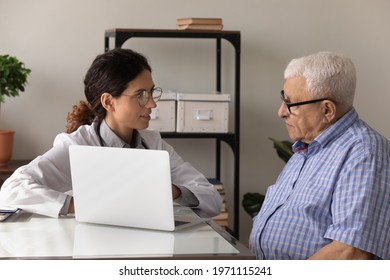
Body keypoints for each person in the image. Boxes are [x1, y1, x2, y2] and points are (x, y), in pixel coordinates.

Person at [0, 48, 222, 218]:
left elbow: (212, 200)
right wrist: (84, 205)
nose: (152, 103)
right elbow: (11, 189)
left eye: (152, 92)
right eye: (141, 95)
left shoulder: (154, 144)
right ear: (109, 102)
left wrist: (171, 191)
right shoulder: (78, 145)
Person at [249, 51, 390, 260]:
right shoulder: (305, 148)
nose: (281, 112)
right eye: (282, 99)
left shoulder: (364, 152)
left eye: (290, 104)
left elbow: (351, 252)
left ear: (327, 110)